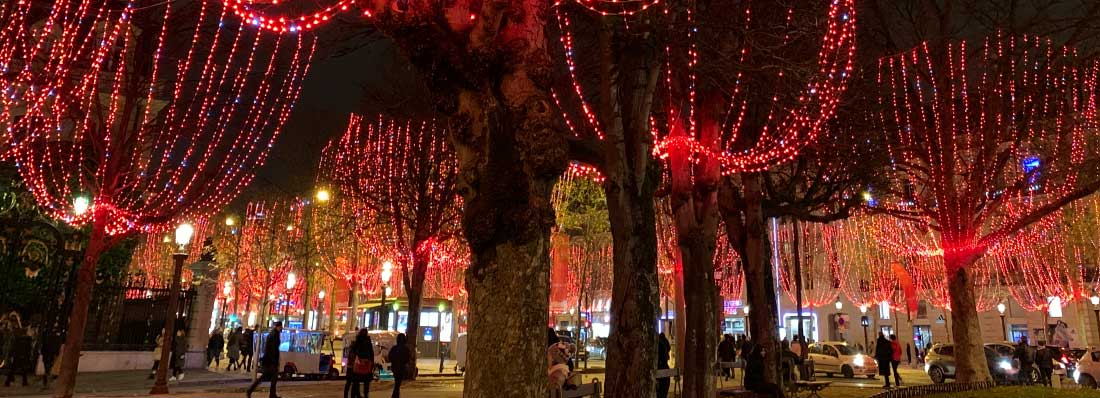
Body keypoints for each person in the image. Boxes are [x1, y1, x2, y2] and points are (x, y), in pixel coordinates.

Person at [247, 322, 282, 398]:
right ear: (278, 327)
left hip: (269, 360)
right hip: (270, 361)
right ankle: (271, 394)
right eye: (280, 327)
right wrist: (275, 361)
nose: (281, 328)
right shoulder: (274, 335)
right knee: (272, 378)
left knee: (268, 378)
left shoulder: (273, 334)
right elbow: (273, 349)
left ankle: (271, 394)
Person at [345, 329, 374, 398]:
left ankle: (355, 395)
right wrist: (371, 362)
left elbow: (354, 352)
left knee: (356, 381)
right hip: (365, 364)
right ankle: (363, 395)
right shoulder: (367, 341)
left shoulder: (358, 342)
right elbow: (371, 353)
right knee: (364, 382)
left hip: (358, 364)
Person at [387, 333, 411, 398]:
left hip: (395, 367)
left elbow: (390, 357)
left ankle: (395, 394)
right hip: (401, 367)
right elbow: (408, 358)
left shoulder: (394, 348)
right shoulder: (406, 349)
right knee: (398, 382)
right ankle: (395, 395)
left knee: (397, 382)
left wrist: (394, 362)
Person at [656, 333, 671, 398]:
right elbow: (669, 348)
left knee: (660, 391)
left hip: (660, 369)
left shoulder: (658, 344)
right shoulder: (664, 342)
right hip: (665, 369)